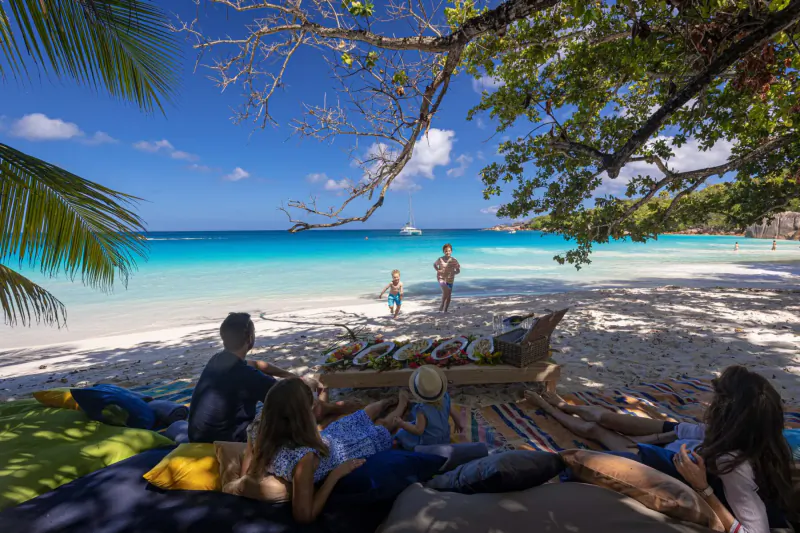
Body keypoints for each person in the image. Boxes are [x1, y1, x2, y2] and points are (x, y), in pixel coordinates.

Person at [526, 365, 793, 533]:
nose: (706, 403)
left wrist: (703, 488)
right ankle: (562, 405)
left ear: (726, 413)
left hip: (660, 460)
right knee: (606, 420)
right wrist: (651, 437)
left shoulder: (732, 463)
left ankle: (548, 407)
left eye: (714, 401)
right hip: (667, 444)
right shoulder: (755, 437)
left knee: (596, 431)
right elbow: (679, 431)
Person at [244, 378, 408, 523]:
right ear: (303, 416)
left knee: (360, 418)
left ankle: (386, 403)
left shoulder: (257, 429)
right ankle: (400, 405)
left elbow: (247, 474)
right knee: (379, 427)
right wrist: (335, 475)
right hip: (342, 452)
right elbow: (304, 516)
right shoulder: (304, 457)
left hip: (326, 440)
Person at [188, 313, 295, 443]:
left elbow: (256, 364)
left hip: (196, 437)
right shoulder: (249, 376)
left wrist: (288, 375)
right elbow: (290, 399)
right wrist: (304, 383)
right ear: (250, 338)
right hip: (227, 444)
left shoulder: (217, 359)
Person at [394, 365, 463, 449]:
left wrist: (402, 423)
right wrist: (458, 423)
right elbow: (453, 411)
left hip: (429, 443)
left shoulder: (421, 409)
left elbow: (418, 430)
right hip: (444, 437)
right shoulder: (445, 396)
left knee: (402, 433)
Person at [433, 243, 460, 313]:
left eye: (449, 251)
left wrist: (455, 272)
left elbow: (458, 270)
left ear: (451, 251)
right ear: (443, 252)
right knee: (446, 291)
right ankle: (442, 304)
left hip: (450, 279)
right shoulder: (440, 259)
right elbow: (434, 265)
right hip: (441, 278)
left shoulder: (454, 260)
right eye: (446, 251)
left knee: (449, 294)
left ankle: (445, 310)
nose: (447, 252)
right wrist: (438, 270)